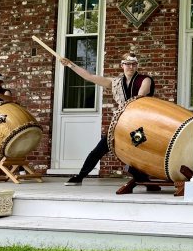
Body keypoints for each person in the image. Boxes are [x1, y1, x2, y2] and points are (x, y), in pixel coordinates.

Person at [60, 53, 154, 194]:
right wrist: (70, 65)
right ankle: (80, 176)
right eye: (127, 64)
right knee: (100, 148)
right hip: (122, 123)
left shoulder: (145, 80)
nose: (130, 67)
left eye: (133, 64)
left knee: (135, 151)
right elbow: (89, 77)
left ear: (137, 66)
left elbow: (138, 100)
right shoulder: (115, 82)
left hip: (139, 124)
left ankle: (144, 179)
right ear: (122, 65)